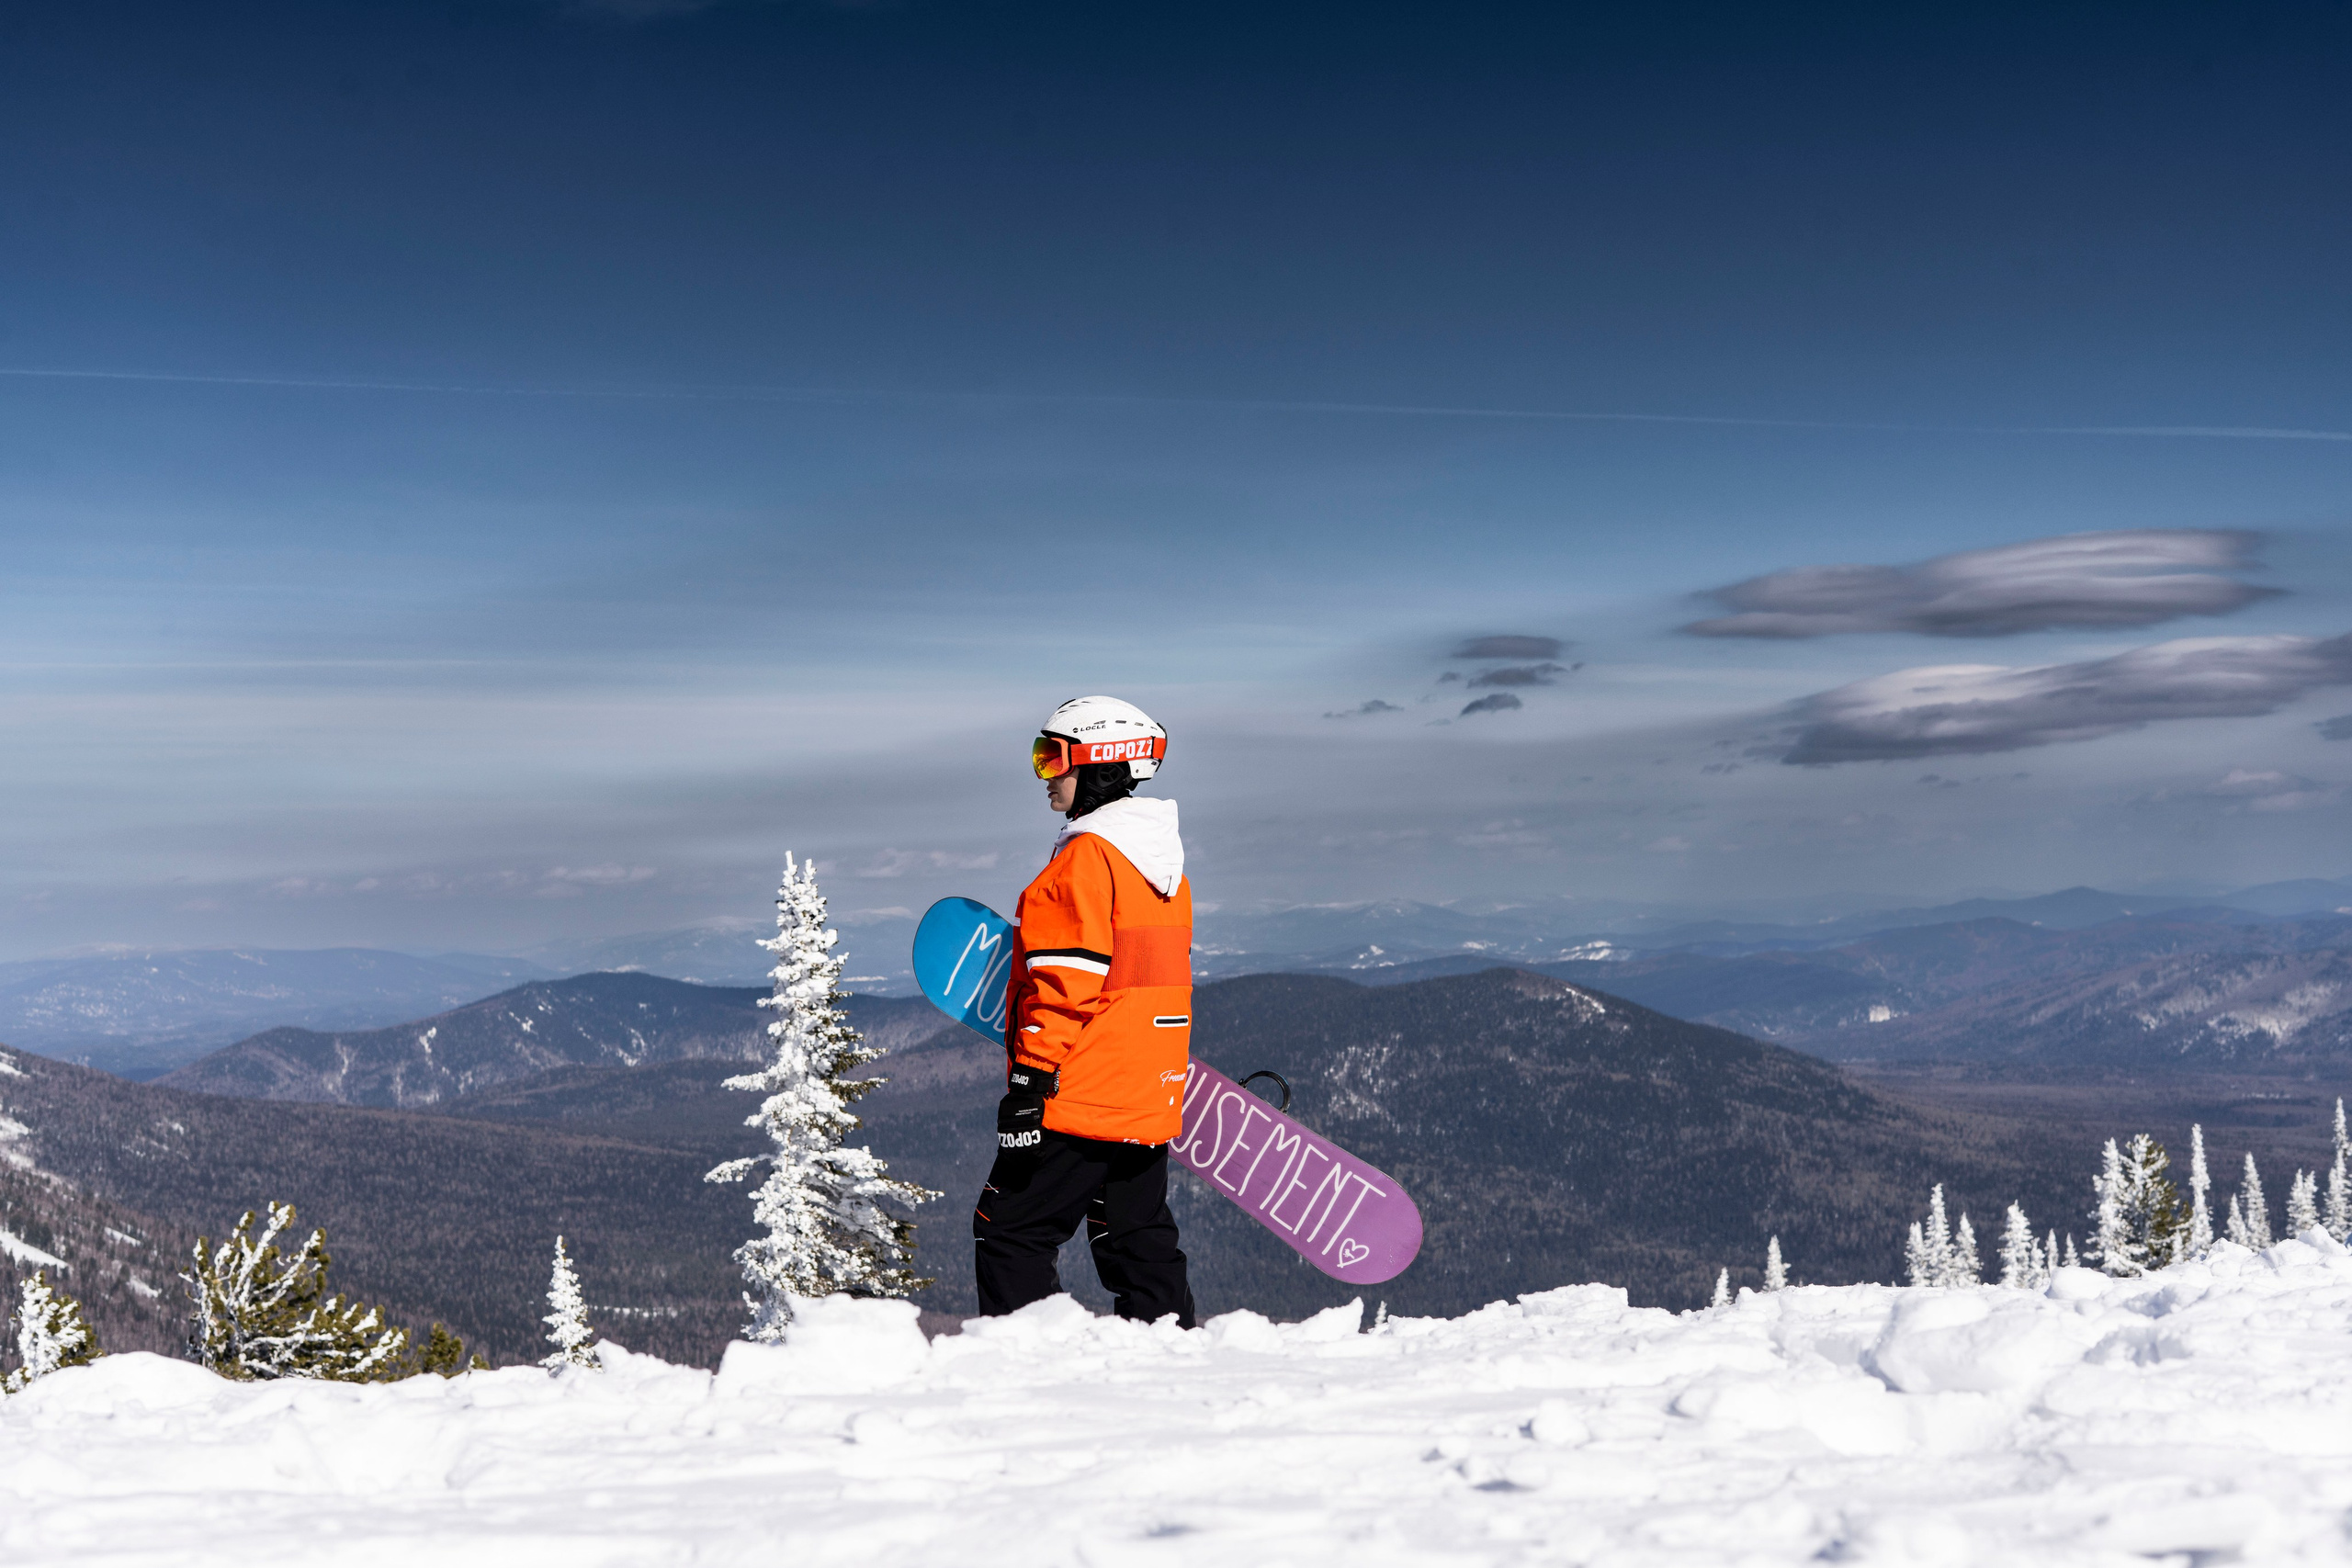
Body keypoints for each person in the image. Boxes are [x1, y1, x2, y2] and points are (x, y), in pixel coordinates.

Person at [972, 694, 1198, 1327]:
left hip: (1080, 1090)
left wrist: (1028, 1081)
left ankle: (1029, 1365)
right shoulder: (1164, 868)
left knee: (1009, 1230)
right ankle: (1173, 1355)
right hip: (1145, 1090)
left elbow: (1066, 985)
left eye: (1053, 759)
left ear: (1098, 764)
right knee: (1135, 1238)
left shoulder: (1084, 860)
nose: (1044, 776)